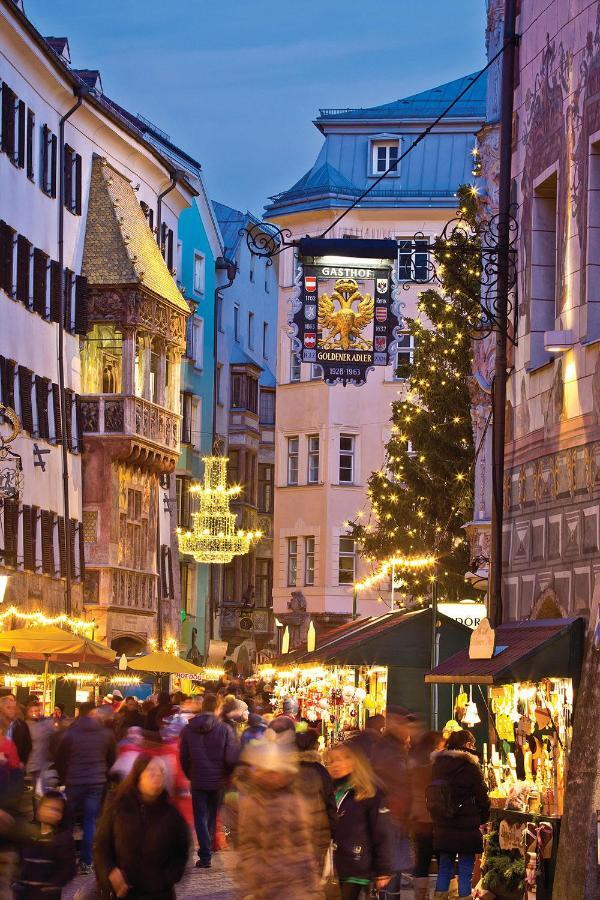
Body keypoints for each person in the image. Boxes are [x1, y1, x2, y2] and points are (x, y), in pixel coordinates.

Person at [233, 732, 322, 900]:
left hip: (293, 885)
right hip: (264, 884)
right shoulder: (252, 803)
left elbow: (304, 845)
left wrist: (312, 886)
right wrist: (253, 878)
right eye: (266, 771)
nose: (272, 776)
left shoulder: (294, 801)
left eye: (276, 772)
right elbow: (248, 844)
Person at [94, 755, 189, 900]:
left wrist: (165, 879)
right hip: (121, 893)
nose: (157, 775)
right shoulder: (118, 806)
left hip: (158, 894)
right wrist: (109, 872)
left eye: (161, 772)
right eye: (151, 771)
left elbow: (181, 852)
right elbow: (101, 847)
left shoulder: (171, 814)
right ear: (138, 776)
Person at [325, 742, 394, 899]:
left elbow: (381, 833)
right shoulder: (330, 791)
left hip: (357, 863)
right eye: (331, 761)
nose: (336, 765)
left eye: (343, 758)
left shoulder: (369, 793)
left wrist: (383, 870)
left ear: (356, 761)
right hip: (334, 864)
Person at [55, 701, 116, 875]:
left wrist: (64, 776)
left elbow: (59, 757)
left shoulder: (70, 733)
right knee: (90, 822)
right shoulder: (105, 734)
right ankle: (86, 861)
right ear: (93, 714)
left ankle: (65, 860)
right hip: (96, 783)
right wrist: (103, 773)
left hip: (73, 781)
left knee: (68, 821)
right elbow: (112, 758)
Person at [179, 692, 239, 869]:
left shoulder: (188, 729)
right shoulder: (225, 729)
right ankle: (209, 847)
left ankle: (204, 855)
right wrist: (227, 775)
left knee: (199, 816)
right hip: (218, 781)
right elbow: (230, 758)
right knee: (213, 815)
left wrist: (190, 774)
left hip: (198, 779)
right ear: (218, 708)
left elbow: (183, 757)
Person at [430, 729, 491, 900]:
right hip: (466, 827)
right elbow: (482, 796)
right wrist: (482, 818)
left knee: (444, 868)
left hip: (443, 824)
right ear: (466, 745)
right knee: (465, 871)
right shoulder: (471, 766)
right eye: (472, 744)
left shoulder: (437, 765)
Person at [15, 790, 76, 900]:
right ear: (39, 809)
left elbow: (68, 868)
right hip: (23, 892)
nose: (50, 812)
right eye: (47, 807)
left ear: (61, 815)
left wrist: (53, 885)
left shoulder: (63, 839)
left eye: (56, 810)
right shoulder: (29, 834)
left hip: (46, 895)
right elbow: (20, 857)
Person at [408, 730, 445, 900]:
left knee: (421, 862)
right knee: (443, 861)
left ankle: (419, 896)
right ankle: (440, 895)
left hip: (419, 821)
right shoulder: (438, 769)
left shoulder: (414, 767)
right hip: (437, 822)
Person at [295, 728, 336, 872]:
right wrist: (333, 832)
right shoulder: (320, 770)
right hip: (318, 833)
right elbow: (330, 803)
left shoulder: (286, 770)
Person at [25, 699, 54, 802]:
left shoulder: (46, 723)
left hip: (42, 762)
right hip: (32, 761)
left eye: (37, 711)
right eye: (33, 711)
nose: (35, 713)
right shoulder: (26, 725)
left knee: (39, 790)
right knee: (36, 790)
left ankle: (39, 812)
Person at [0, 695, 32, 766]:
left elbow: (27, 744)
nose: (12, 710)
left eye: (13, 708)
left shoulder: (21, 725)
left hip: (16, 765)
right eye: (8, 708)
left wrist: (22, 761)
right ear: (1, 709)